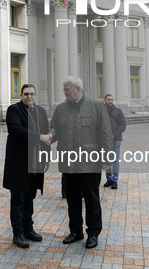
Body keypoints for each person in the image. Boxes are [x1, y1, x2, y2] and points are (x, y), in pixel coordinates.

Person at [49, 76, 113, 249]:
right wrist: (50, 136)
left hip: (89, 163)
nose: (64, 92)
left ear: (78, 89)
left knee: (92, 199)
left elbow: (106, 134)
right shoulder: (61, 109)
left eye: (67, 89)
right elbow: (54, 127)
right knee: (73, 200)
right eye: (64, 89)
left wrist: (107, 160)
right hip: (68, 164)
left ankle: (93, 233)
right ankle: (76, 231)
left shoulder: (96, 106)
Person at [3, 84, 51, 248]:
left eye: (32, 94)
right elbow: (17, 130)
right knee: (18, 198)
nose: (29, 97)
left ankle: (28, 229)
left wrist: (46, 158)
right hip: (19, 162)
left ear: (35, 95)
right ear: (21, 95)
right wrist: (40, 137)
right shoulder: (13, 110)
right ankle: (18, 233)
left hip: (36, 161)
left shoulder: (41, 112)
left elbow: (47, 134)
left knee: (30, 196)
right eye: (25, 94)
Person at [103, 94, 126, 190]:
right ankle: (109, 179)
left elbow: (123, 125)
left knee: (115, 160)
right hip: (105, 140)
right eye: (108, 99)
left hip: (116, 139)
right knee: (107, 159)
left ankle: (115, 180)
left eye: (112, 100)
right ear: (104, 101)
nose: (110, 101)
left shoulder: (118, 112)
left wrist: (114, 134)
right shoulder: (102, 112)